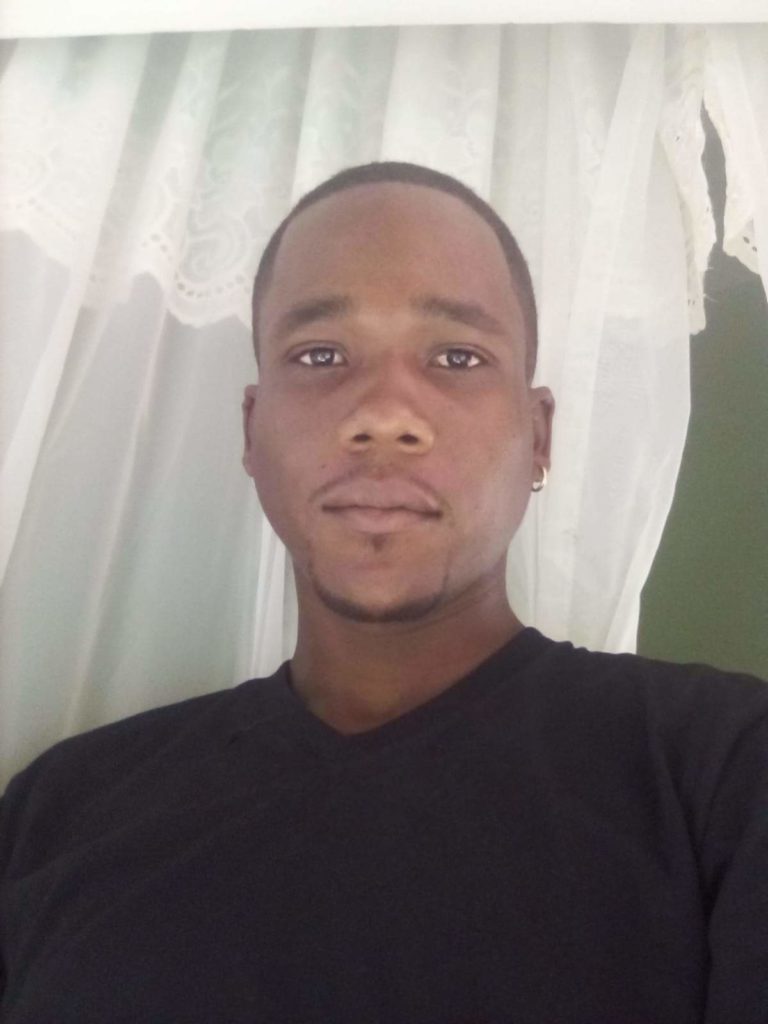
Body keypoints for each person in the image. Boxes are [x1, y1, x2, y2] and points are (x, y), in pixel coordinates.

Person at [0, 161, 766, 1024]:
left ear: (538, 435)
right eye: (321, 355)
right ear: (252, 429)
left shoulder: (724, 775)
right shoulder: (58, 812)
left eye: (457, 357)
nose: (385, 414)